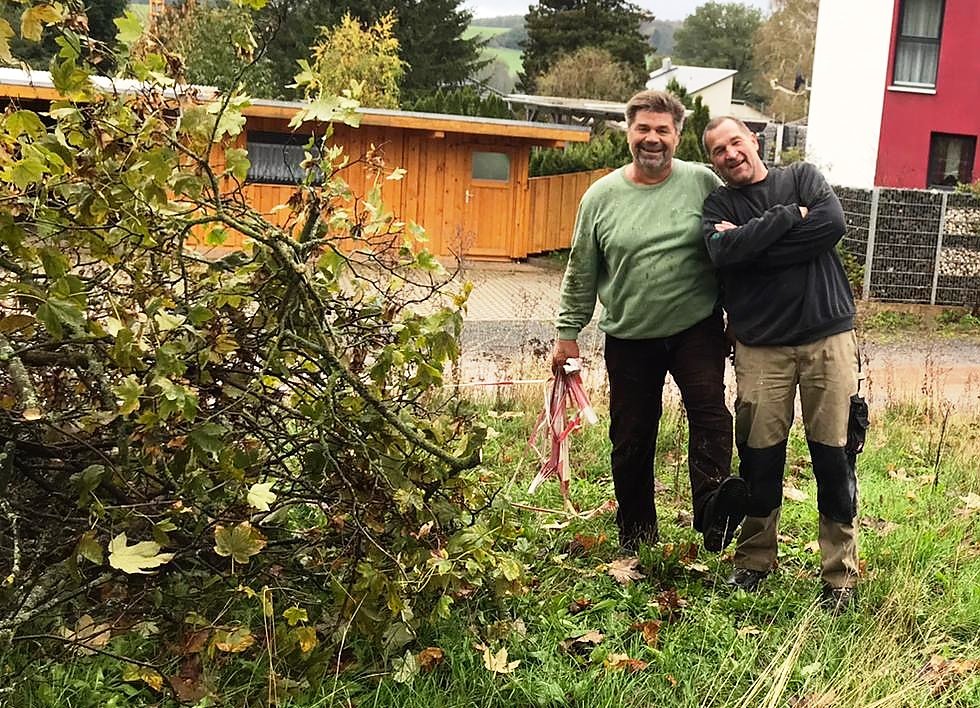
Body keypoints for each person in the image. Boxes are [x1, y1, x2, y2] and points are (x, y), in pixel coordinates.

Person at [552, 90, 747, 553]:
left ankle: (713, 510)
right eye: (643, 129)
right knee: (631, 436)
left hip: (695, 327)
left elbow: (734, 247)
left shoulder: (702, 183)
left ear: (677, 135)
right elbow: (581, 269)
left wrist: (738, 315)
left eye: (663, 130)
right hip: (630, 334)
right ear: (629, 132)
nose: (652, 138)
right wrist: (567, 334)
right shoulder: (600, 198)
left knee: (711, 416)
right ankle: (637, 535)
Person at [700, 116, 865, 609]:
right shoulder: (718, 205)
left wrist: (750, 245)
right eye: (717, 151)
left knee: (834, 456)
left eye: (735, 142)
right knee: (759, 457)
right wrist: (787, 218)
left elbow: (831, 225)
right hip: (759, 348)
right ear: (712, 162)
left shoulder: (802, 177)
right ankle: (754, 560)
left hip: (827, 337)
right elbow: (722, 253)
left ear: (754, 141)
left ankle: (840, 576)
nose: (730, 154)